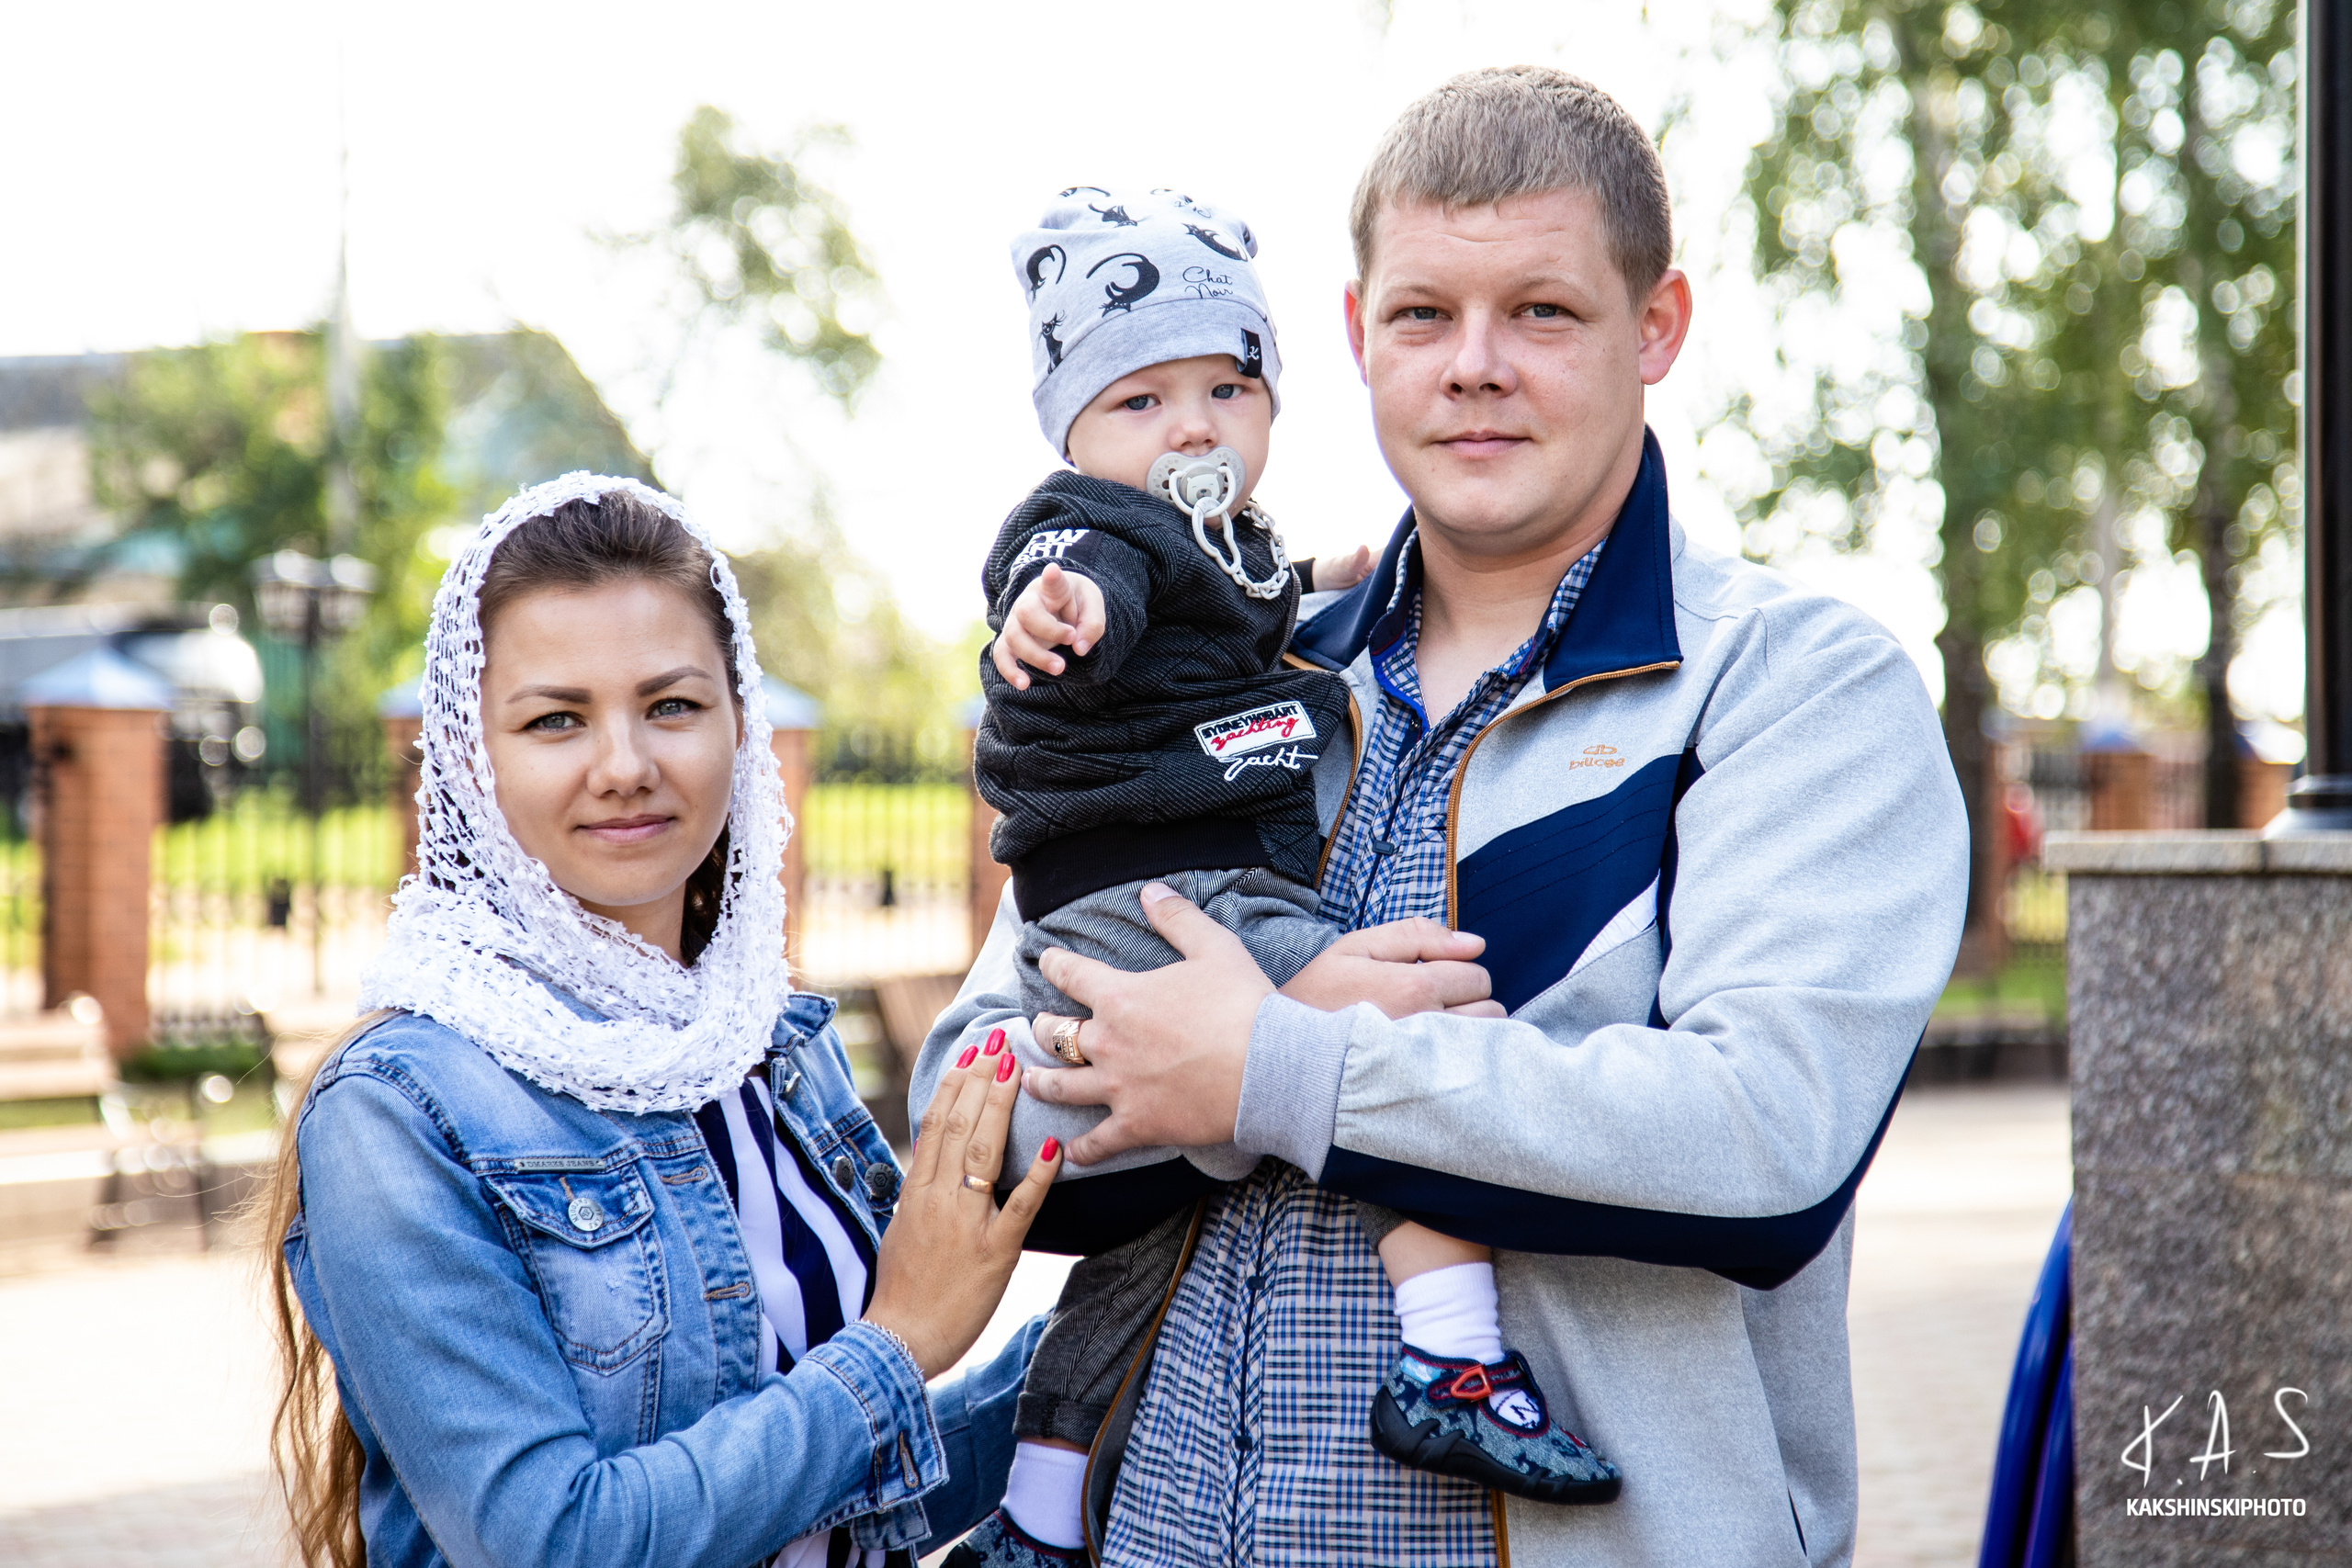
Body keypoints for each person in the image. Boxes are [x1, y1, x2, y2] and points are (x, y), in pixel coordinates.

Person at [935, 67, 1971, 1566]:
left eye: (1542, 312)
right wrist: (1214, 1083)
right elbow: (962, 1113)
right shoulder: (1203, 677)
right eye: (1424, 315)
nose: (1474, 365)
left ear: (1657, 326)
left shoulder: (1790, 686)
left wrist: (1279, 1066)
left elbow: (1765, 1143)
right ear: (1358, 336)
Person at [932, 187, 1620, 1568]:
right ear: (1069, 430)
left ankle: (1037, 1517)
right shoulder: (1083, 536)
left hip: (1162, 881)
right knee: (1411, 1022)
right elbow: (1086, 582)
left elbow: (1231, 595)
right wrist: (1278, 1045)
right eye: (1139, 400)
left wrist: (1327, 578)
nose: (1189, 425)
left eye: (1226, 387)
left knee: (1131, 1266)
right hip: (1150, 884)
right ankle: (1452, 1359)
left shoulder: (1240, 568)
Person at [260, 474, 1058, 1568]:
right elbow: (549, 1541)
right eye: (555, 720)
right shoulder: (401, 1112)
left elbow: (853, 1497)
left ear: (742, 722)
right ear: (469, 760)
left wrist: (1092, 1340)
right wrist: (897, 1343)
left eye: (671, 705)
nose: (626, 766)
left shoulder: (769, 1047)